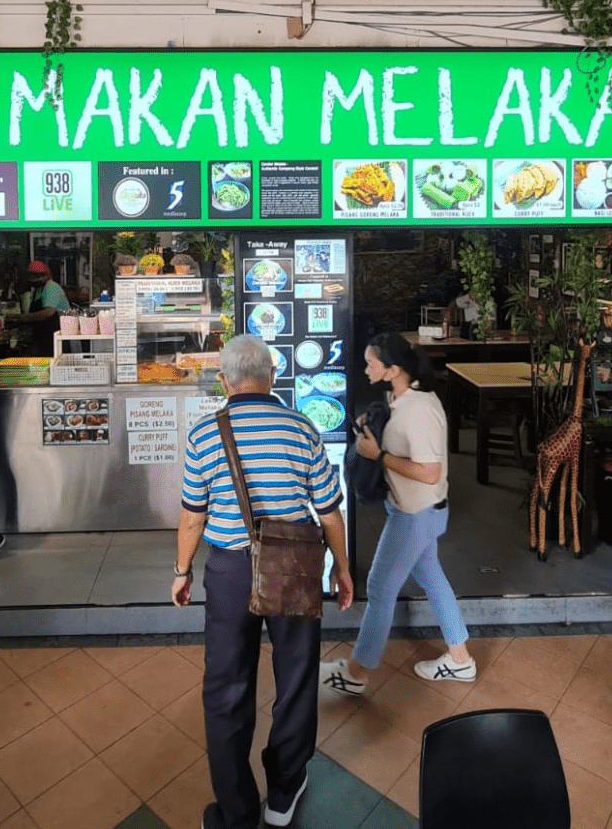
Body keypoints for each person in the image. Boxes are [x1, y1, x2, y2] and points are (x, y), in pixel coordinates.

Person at [171, 333, 353, 829]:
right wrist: (342, 568)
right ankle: (285, 792)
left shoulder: (205, 435)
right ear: (272, 377)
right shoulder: (303, 429)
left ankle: (236, 810)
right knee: (296, 678)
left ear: (224, 380)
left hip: (229, 569)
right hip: (294, 567)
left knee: (227, 687)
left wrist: (183, 570)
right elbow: (330, 512)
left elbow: (192, 516)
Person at [321, 332, 475, 696]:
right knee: (433, 580)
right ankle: (460, 659)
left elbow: (430, 471)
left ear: (392, 369)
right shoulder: (401, 398)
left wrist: (380, 457)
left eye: (372, 363)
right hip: (421, 511)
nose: (366, 368)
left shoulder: (420, 410)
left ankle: (357, 673)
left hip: (416, 514)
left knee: (379, 587)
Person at [4, 260, 70, 356]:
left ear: (45, 276)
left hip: (56, 334)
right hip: (43, 336)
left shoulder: (51, 287)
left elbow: (48, 313)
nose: (32, 279)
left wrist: (23, 318)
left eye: (35, 276)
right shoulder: (38, 290)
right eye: (30, 276)